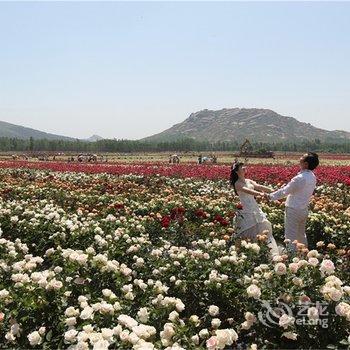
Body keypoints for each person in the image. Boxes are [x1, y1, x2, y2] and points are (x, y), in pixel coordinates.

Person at [268, 152, 319, 252]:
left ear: (306, 164)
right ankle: (304, 255)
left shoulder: (299, 178)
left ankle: (292, 259)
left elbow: (285, 191)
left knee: (290, 236)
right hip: (303, 209)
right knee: (301, 235)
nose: (300, 158)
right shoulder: (312, 176)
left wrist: (270, 196)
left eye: (302, 158)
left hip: (293, 210)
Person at [230, 162, 279, 256]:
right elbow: (248, 191)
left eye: (244, 166)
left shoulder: (249, 180)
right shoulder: (237, 184)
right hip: (246, 210)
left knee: (262, 226)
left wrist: (274, 191)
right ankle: (249, 252)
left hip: (254, 207)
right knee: (249, 230)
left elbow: (258, 186)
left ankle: (263, 252)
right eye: (241, 167)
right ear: (236, 171)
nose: (244, 168)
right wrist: (260, 194)